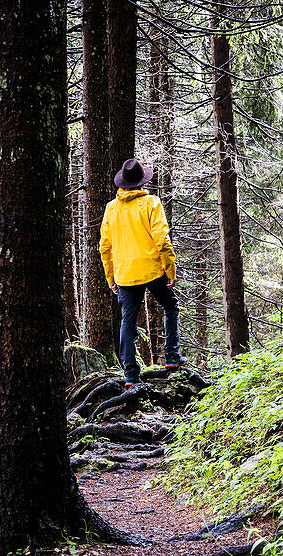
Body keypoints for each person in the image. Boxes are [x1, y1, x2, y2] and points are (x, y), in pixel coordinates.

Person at [100, 157, 185, 386]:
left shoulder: (111, 209)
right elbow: (162, 239)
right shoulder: (151, 203)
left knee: (128, 320)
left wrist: (111, 277)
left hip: (125, 274)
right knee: (170, 306)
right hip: (153, 269)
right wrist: (170, 268)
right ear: (141, 182)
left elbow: (104, 247)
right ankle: (172, 358)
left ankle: (130, 376)